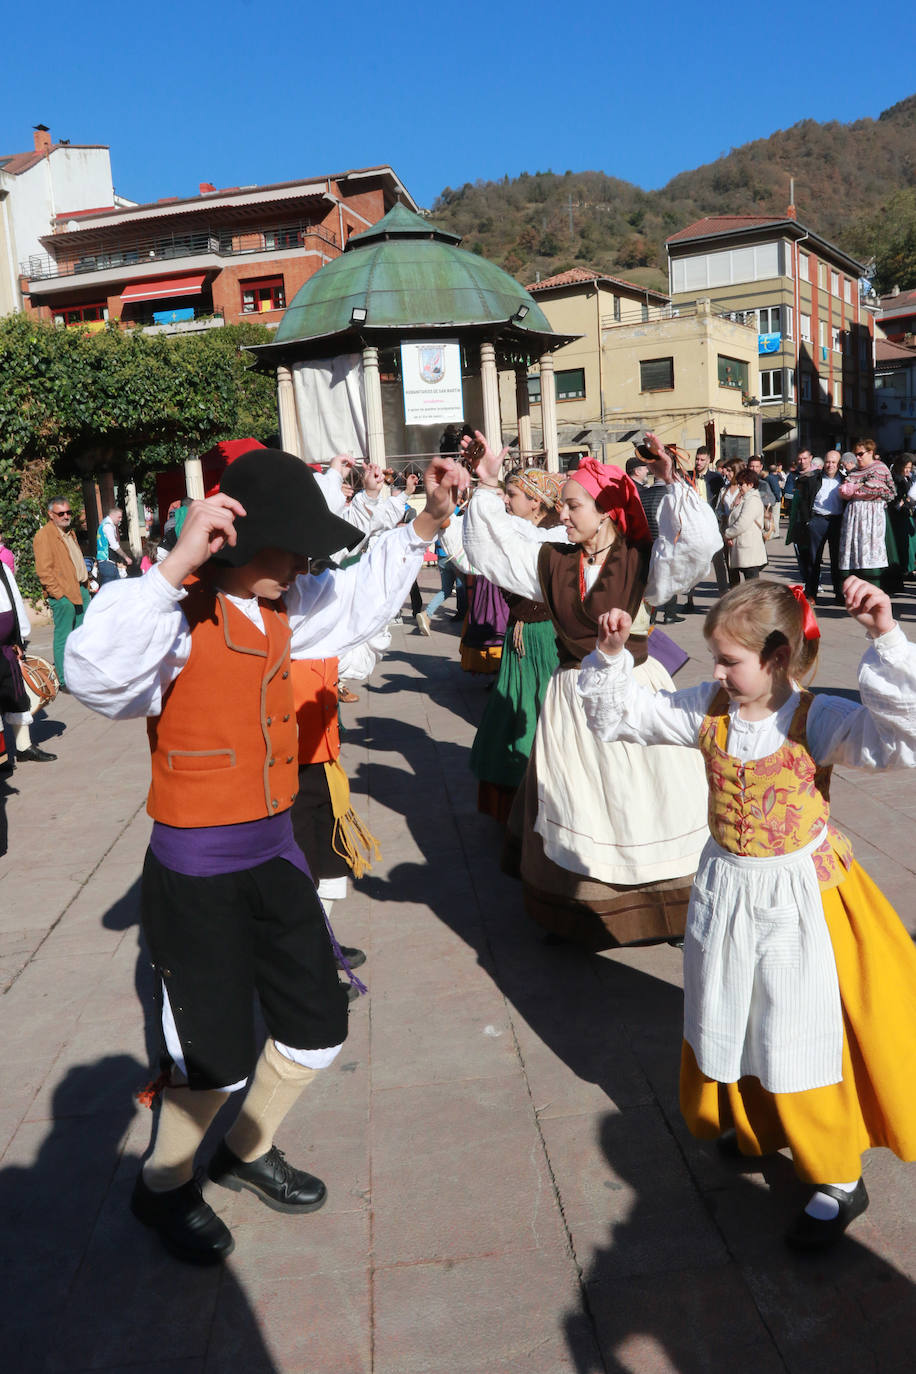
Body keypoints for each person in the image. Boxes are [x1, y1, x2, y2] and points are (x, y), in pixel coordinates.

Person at [64, 447, 466, 1265]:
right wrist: (176, 564)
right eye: (291, 550)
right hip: (196, 876)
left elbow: (355, 601)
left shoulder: (284, 605)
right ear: (242, 551)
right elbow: (93, 675)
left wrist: (426, 520)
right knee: (207, 1058)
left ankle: (244, 1150)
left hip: (276, 856)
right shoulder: (176, 621)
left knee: (318, 1026)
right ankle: (164, 1186)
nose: (305, 564)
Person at [578, 577, 916, 1250]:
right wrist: (613, 655)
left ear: (778, 657)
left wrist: (885, 636)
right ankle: (761, 1125)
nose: (718, 672)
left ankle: (837, 1175)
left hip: (799, 902)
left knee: (798, 1030)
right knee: (735, 1010)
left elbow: (898, 741)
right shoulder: (707, 707)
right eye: (716, 658)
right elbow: (621, 717)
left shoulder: (813, 719)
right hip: (728, 890)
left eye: (731, 660)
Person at [463, 431, 716, 948]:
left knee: (649, 796)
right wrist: (488, 482)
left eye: (573, 505)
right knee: (579, 801)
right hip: (572, 697)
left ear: (604, 511)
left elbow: (697, 543)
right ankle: (576, 910)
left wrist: (672, 478)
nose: (563, 514)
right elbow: (494, 546)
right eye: (561, 506)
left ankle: (668, 905)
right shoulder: (554, 559)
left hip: (634, 690)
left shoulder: (644, 561)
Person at [467, 468, 565, 821]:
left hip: (547, 639)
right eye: (505, 493)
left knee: (543, 710)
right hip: (519, 637)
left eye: (512, 494)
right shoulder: (517, 532)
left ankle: (546, 798)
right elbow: (476, 549)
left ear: (535, 501)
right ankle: (514, 803)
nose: (505, 501)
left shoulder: (555, 536)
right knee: (512, 710)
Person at [0, 558, 56, 763]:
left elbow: (15, 601)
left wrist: (19, 638)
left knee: (16, 694)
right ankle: (2, 758)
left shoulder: (2, 568)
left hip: (6, 646)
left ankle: (24, 747)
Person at [32, 497, 90, 689]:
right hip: (64, 594)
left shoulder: (69, 532)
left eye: (68, 512)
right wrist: (60, 596)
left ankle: (80, 674)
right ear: (51, 515)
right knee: (64, 636)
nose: (66, 516)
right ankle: (64, 679)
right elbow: (44, 571)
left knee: (81, 635)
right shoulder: (44, 536)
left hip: (80, 589)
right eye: (61, 513)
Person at [838, 439, 895, 585]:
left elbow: (872, 489)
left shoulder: (879, 468)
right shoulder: (855, 471)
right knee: (854, 552)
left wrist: (855, 488)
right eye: (855, 454)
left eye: (860, 454)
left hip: (872, 517)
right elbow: (843, 491)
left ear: (870, 452)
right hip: (854, 518)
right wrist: (859, 486)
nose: (857, 457)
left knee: (870, 551)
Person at [806, 451, 845, 603]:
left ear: (839, 464)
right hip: (818, 520)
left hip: (837, 521)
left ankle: (839, 593)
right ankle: (812, 593)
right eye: (828, 462)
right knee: (814, 559)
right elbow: (805, 500)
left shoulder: (844, 480)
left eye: (833, 462)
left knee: (837, 560)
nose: (830, 465)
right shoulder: (814, 478)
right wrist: (808, 521)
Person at [724, 468, 767, 583]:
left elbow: (742, 523)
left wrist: (727, 534)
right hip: (743, 549)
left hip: (750, 550)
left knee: (752, 586)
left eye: (741, 484)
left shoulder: (752, 500)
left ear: (750, 484)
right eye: (738, 483)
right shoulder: (744, 499)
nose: (738, 486)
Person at [784, 449, 817, 584]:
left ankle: (815, 580)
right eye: (799, 459)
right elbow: (787, 495)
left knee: (814, 553)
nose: (802, 461)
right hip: (797, 519)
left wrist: (798, 494)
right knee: (801, 552)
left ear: (810, 458)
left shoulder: (817, 474)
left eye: (805, 458)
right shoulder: (792, 476)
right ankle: (807, 581)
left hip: (814, 518)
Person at [97, 507, 132, 584]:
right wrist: (126, 557)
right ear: (112, 515)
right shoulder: (108, 526)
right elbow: (114, 545)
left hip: (106, 562)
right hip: (107, 563)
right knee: (111, 589)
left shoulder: (104, 524)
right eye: (119, 517)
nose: (120, 519)